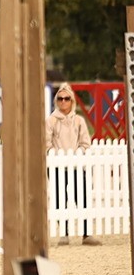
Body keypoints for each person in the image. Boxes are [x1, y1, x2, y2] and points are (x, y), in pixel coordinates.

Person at [46, 83, 100, 246]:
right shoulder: (51, 120)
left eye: (66, 99)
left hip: (77, 166)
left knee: (82, 198)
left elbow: (85, 143)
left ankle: (86, 233)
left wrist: (78, 154)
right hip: (57, 167)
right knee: (58, 200)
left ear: (72, 101)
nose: (63, 102)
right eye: (60, 99)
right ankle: (64, 233)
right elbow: (46, 143)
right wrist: (55, 155)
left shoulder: (79, 121)